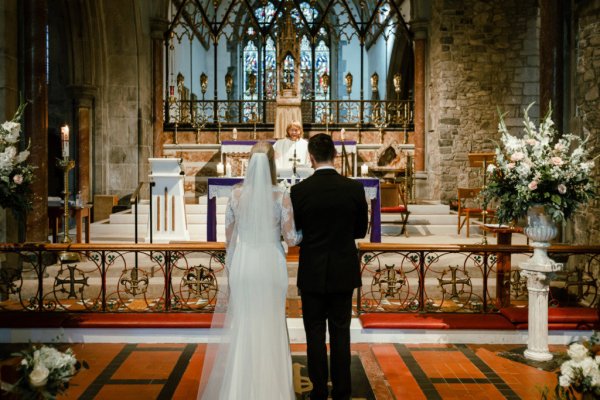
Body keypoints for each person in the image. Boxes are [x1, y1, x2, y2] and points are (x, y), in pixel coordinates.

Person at [198, 141, 301, 400]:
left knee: (244, 325)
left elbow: (229, 239)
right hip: (270, 263)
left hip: (244, 263)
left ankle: (239, 390)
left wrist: (233, 271)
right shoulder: (282, 195)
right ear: (272, 165)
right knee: (272, 322)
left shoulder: (235, 194)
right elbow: (291, 239)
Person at [290, 133, 369, 400]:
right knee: (340, 332)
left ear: (310, 157)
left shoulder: (299, 191)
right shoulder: (354, 188)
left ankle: (319, 390)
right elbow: (360, 230)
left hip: (311, 271)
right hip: (343, 271)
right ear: (335, 155)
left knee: (314, 334)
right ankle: (343, 390)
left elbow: (296, 232)